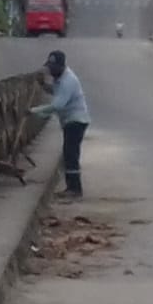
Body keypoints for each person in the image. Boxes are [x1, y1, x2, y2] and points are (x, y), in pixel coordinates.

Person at [30, 50, 90, 199]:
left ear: (61, 66)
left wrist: (34, 111)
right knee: (69, 152)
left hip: (76, 120)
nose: (51, 71)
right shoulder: (60, 79)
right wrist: (43, 84)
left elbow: (58, 104)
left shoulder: (68, 81)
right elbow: (56, 92)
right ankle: (72, 187)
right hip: (70, 120)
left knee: (71, 153)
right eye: (50, 67)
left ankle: (75, 189)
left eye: (53, 68)